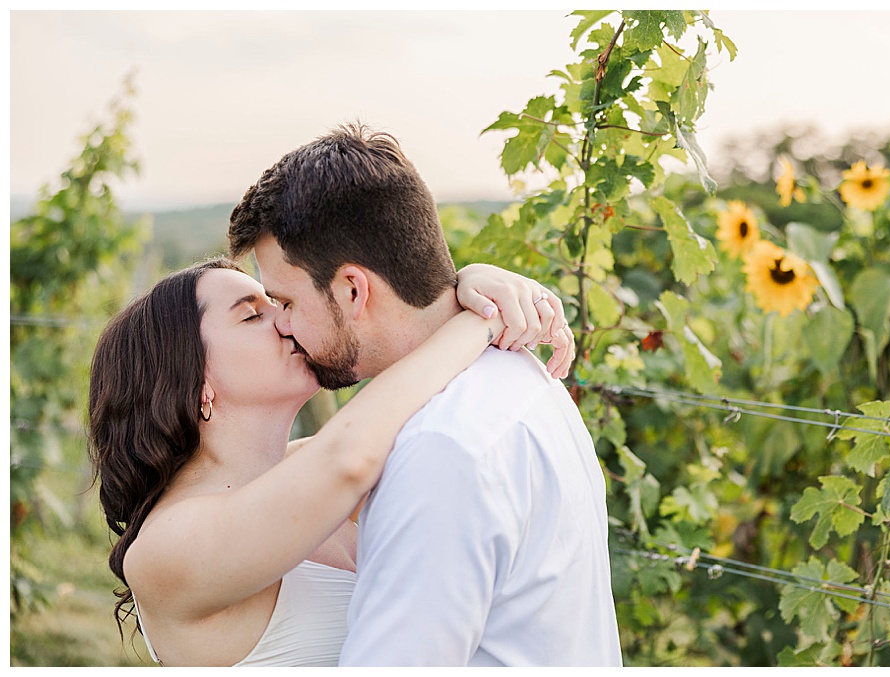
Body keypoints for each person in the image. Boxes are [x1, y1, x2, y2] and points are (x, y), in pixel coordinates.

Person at [225, 123, 619, 666]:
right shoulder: (520, 375)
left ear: (352, 289)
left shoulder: (438, 450)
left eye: (287, 302)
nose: (283, 326)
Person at [89, 256, 571, 667]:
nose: (284, 320)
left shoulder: (310, 468)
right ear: (196, 384)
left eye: (277, 304)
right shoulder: (161, 553)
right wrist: (478, 319)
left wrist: (462, 285)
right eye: (250, 316)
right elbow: (349, 455)